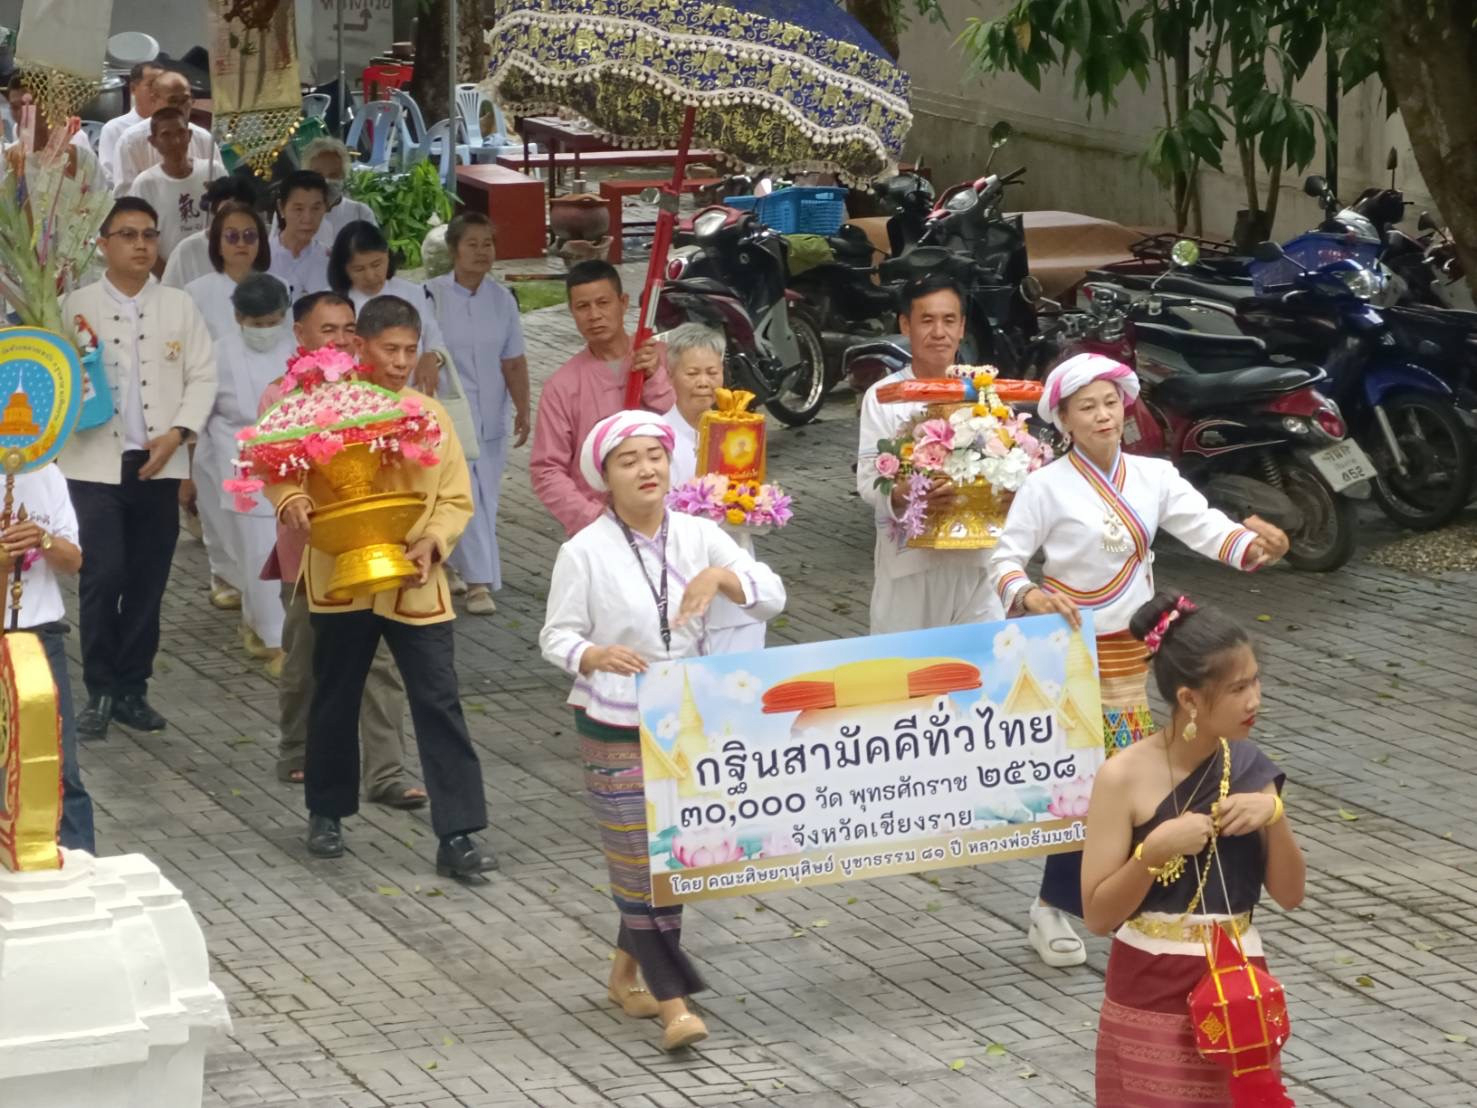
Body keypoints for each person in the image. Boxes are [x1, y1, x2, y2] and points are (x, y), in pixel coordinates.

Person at [989, 351, 1291, 968]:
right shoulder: (1044, 487)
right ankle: (1061, 901)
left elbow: (1207, 528)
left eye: (1109, 403)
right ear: (1063, 421)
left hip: (1141, 650)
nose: (1103, 417)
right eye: (1086, 408)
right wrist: (1029, 593)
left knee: (1129, 775)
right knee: (1095, 777)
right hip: (1070, 654)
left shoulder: (1153, 476)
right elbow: (1003, 558)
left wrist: (1258, 546)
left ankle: (1121, 891)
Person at [539, 410, 786, 1052]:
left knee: (671, 858)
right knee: (636, 863)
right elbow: (555, 635)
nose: (646, 468)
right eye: (628, 460)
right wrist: (592, 654)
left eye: (654, 455)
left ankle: (626, 976)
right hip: (613, 720)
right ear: (605, 478)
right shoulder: (583, 551)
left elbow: (772, 595)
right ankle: (676, 1005)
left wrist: (720, 576)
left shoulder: (701, 534)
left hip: (689, 720)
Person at [264, 295, 490, 876]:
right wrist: (290, 499)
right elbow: (275, 463)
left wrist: (435, 540)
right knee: (334, 694)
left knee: (438, 701)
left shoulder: (429, 414)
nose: (400, 361)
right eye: (389, 349)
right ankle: (326, 812)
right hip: (341, 577)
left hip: (416, 582)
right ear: (359, 346)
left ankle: (459, 832)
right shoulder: (318, 407)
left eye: (410, 351)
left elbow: (456, 496)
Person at [1082, 592, 1305, 1106]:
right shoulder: (1122, 777)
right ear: (1189, 700)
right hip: (1150, 984)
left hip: (1239, 986)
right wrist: (1153, 852)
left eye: (1255, 681)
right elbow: (1097, 914)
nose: (1255, 700)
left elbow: (1291, 895)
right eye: (1237, 688)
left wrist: (1276, 817)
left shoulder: (1251, 768)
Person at [60, 197, 217, 741]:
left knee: (149, 581)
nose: (141, 244)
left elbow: (203, 376)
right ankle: (100, 687)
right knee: (103, 575)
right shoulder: (72, 305)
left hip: (158, 463)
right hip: (91, 463)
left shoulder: (178, 305)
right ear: (102, 244)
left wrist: (177, 435)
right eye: (127, 234)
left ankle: (133, 687)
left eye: (149, 234)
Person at [262, 291, 425, 808]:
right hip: (312, 551)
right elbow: (269, 465)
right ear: (300, 336)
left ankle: (386, 772)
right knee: (307, 658)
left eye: (346, 330)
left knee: (380, 661)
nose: (339, 340)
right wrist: (290, 497)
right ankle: (297, 750)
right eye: (326, 330)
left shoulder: (373, 394)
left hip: (376, 547)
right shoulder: (281, 396)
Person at [856, 273, 1005, 635]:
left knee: (983, 675)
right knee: (906, 679)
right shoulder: (884, 396)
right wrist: (906, 492)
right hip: (909, 567)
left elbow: (1010, 470)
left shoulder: (986, 393)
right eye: (927, 319)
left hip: (977, 565)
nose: (938, 331)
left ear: (962, 326)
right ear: (905, 324)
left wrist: (1002, 491)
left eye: (949, 320)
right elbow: (866, 481)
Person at [423, 212, 529, 614]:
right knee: (466, 495)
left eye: (488, 243)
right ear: (453, 249)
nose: (482, 252)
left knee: (488, 495)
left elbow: (513, 360)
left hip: (492, 415)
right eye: (473, 244)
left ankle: (451, 562)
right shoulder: (429, 296)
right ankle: (481, 582)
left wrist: (523, 407)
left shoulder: (502, 300)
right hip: (448, 415)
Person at [530, 260, 672, 536]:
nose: (594, 315)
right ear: (572, 312)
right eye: (583, 307)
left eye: (603, 303)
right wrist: (594, 519)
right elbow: (546, 470)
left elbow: (692, 427)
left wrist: (656, 377)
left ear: (623, 302)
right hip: (600, 526)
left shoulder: (663, 358)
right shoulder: (561, 386)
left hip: (668, 515)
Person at [659, 323, 769, 654]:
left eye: (712, 371)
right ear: (671, 374)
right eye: (692, 373)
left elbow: (755, 498)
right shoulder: (656, 436)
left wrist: (756, 512)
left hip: (735, 584)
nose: (704, 383)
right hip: (680, 586)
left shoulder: (741, 430)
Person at [2, 464, 93, 853]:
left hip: (40, 639)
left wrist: (43, 540)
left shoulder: (46, 475)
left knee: (59, 764)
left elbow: (74, 562)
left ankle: (80, 860)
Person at [204, 273, 293, 671]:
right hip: (239, 461)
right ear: (238, 317)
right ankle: (275, 641)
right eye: (257, 324)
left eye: (273, 321)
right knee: (256, 551)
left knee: (289, 548)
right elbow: (203, 413)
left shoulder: (299, 349)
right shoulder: (217, 354)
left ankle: (269, 626)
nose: (266, 331)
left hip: (293, 459)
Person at [327, 219, 444, 368]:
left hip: (410, 385)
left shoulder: (413, 293)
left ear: (388, 255)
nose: (370, 275)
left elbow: (434, 338)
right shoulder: (331, 302)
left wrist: (432, 356)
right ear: (343, 268)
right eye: (359, 269)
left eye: (376, 264)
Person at [124, 108, 212, 270]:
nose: (176, 141)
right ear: (153, 141)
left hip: (210, 272)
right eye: (166, 135)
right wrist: (168, 276)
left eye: (181, 133)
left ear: (190, 135)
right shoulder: (145, 184)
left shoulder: (212, 172)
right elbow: (139, 238)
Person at [114, 69, 221, 192]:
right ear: (154, 99)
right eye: (173, 101)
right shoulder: (131, 141)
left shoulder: (204, 139)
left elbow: (221, 189)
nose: (180, 107)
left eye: (185, 100)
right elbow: (125, 195)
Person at [184, 200, 273, 340]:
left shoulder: (278, 287)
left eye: (249, 235)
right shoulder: (195, 293)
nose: (241, 243)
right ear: (218, 245)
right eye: (232, 236)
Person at [163, 173, 264, 290]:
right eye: (226, 211)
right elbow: (169, 298)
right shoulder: (186, 251)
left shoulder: (257, 246)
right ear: (212, 210)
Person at [268, 170, 332, 300]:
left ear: (325, 207)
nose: (307, 219)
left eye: (316, 208)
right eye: (298, 209)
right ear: (281, 208)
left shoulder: (331, 260)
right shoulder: (262, 258)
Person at [301, 137, 376, 246]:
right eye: (318, 175)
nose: (325, 181)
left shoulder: (360, 213)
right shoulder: (290, 213)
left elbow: (374, 254)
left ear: (344, 176)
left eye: (334, 175)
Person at [98, 61, 162, 185]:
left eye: (162, 86)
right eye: (151, 85)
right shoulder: (114, 128)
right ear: (133, 88)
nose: (157, 92)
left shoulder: (176, 127)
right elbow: (109, 176)